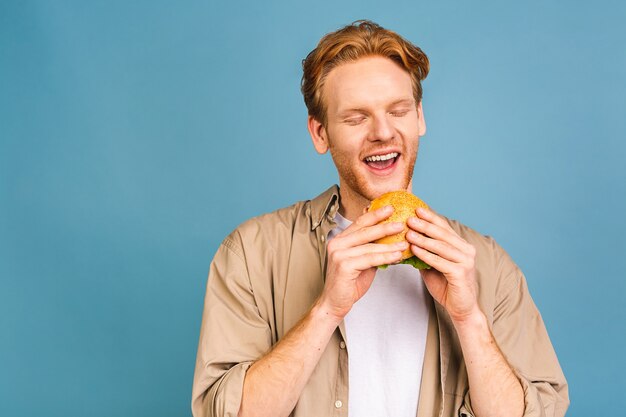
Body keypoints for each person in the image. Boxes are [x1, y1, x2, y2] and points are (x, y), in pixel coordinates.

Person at [191, 20, 569, 417]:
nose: (383, 132)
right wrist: (327, 311)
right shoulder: (251, 255)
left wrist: (468, 318)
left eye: (398, 111)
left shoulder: (489, 266)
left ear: (419, 118)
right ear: (320, 134)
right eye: (356, 118)